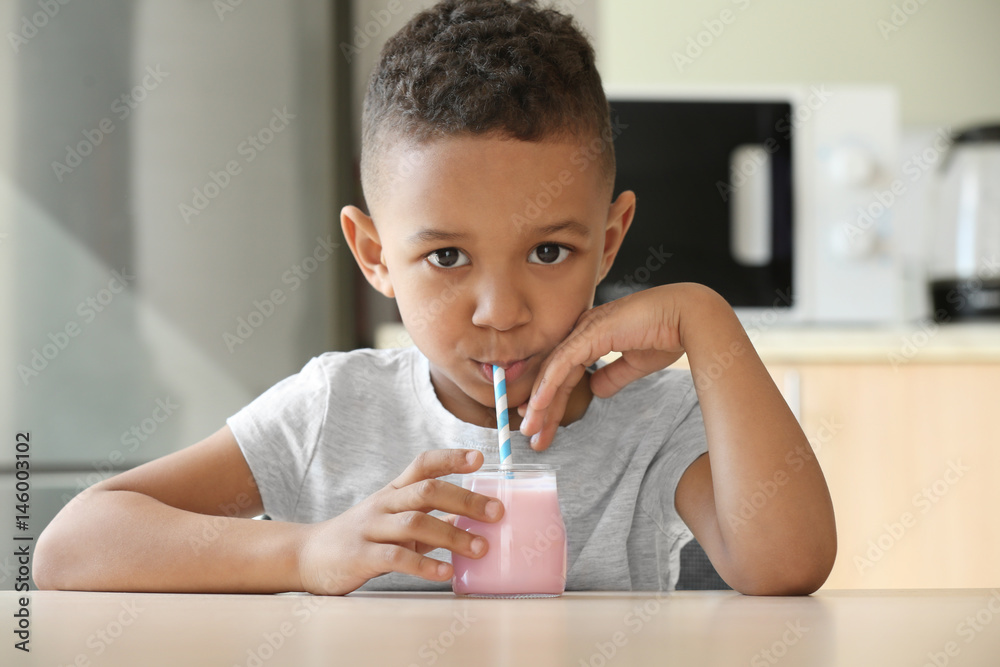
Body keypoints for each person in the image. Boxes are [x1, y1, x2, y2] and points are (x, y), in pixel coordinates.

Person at [34, 0, 836, 596]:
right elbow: (71, 548)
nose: (499, 309)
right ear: (376, 255)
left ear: (611, 240)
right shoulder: (335, 412)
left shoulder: (652, 421)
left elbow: (786, 566)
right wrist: (307, 552)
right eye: (447, 255)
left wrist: (707, 319)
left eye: (549, 251)